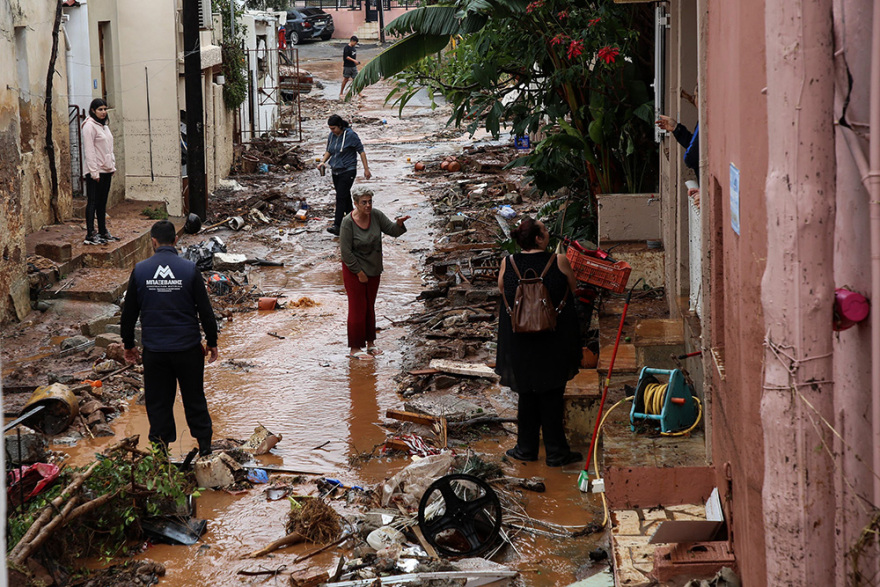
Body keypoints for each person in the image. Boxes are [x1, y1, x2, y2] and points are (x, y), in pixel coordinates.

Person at [121, 220, 219, 456]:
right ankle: (205, 448)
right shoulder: (189, 269)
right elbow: (205, 310)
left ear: (153, 241)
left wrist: (129, 345)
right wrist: (212, 341)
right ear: (175, 241)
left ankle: (161, 454)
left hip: (156, 352)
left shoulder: (140, 270)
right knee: (194, 397)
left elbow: (129, 314)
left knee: (158, 402)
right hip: (188, 349)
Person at [495, 217, 583, 467]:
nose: (547, 233)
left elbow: (503, 291)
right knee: (552, 393)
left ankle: (526, 449)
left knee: (527, 393)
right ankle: (556, 453)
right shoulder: (559, 261)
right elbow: (573, 289)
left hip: (520, 339)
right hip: (553, 337)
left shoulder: (508, 263)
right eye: (544, 230)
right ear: (537, 238)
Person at [339, 188, 409, 360]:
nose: (368, 205)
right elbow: (345, 252)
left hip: (374, 268)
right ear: (355, 203)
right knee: (357, 307)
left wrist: (399, 224)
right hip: (354, 269)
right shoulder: (347, 222)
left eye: (370, 201)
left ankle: (370, 343)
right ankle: (355, 348)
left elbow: (392, 231)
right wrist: (359, 272)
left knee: (370, 306)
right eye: (364, 202)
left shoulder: (376, 215)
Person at [318, 115, 371, 235]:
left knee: (340, 197)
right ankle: (354, 221)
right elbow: (329, 151)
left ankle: (337, 225)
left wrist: (366, 169)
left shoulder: (350, 135)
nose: (331, 131)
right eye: (330, 128)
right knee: (345, 196)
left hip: (348, 170)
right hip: (336, 170)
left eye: (333, 128)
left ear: (340, 126)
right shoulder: (332, 136)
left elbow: (361, 151)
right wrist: (322, 162)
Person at [82, 98, 118, 245]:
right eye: (100, 110)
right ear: (93, 111)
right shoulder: (89, 126)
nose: (103, 112)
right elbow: (89, 150)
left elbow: (109, 148)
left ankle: (103, 231)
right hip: (95, 171)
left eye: (104, 109)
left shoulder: (104, 126)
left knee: (102, 202)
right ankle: (90, 233)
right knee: (93, 201)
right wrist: (94, 172)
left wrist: (112, 166)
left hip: (106, 169)